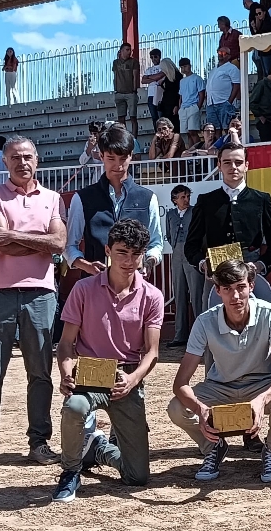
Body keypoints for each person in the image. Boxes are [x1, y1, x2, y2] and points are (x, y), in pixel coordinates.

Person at [0, 137, 66, 473]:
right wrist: (40, 242)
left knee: (41, 374)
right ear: (5, 162)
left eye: (27, 156)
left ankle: (39, 442)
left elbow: (59, 243)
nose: (22, 162)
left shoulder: (52, 198)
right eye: (15, 157)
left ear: (37, 159)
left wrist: (16, 236)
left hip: (41, 294)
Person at [52, 218, 162, 501]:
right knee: (75, 406)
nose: (129, 261)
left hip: (126, 376)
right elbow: (65, 344)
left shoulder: (152, 296)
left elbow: (152, 352)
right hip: (89, 372)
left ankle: (97, 448)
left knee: (137, 477)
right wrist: (66, 373)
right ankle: (70, 471)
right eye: (122, 252)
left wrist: (133, 379)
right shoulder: (83, 289)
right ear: (107, 250)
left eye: (136, 254)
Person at [166, 259, 271, 484]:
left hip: (260, 384)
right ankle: (213, 447)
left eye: (240, 287)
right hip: (220, 386)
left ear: (251, 286)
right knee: (176, 408)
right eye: (227, 289)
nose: (235, 296)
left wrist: (262, 399)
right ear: (217, 291)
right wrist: (200, 409)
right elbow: (180, 383)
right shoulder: (204, 321)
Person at [64, 125, 164, 289]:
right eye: (111, 158)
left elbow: (156, 244)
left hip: (135, 286)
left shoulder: (148, 198)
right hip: (94, 286)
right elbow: (69, 246)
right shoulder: (82, 198)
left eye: (123, 158)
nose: (118, 165)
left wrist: (149, 262)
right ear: (101, 156)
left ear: (131, 156)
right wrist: (87, 266)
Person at [186, 142, 271, 310]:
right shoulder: (206, 201)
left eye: (238, 162)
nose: (233, 167)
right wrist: (204, 265)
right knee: (213, 322)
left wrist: (259, 265)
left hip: (250, 274)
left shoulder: (261, 200)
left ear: (246, 166)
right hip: (216, 274)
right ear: (219, 165)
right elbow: (191, 246)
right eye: (227, 162)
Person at [162, 185, 200, 348]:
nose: (186, 200)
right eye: (182, 197)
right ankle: (180, 335)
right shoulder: (170, 214)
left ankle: (200, 334)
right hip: (177, 254)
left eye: (187, 196)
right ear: (174, 200)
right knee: (179, 294)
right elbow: (169, 235)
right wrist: (177, 247)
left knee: (197, 294)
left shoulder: (195, 211)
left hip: (192, 254)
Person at [205, 35, 242, 132]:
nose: (221, 54)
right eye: (219, 52)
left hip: (224, 102)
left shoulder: (232, 68)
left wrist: (229, 101)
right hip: (211, 103)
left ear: (229, 56)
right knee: (214, 130)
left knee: (227, 128)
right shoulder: (213, 70)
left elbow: (237, 85)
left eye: (224, 53)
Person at [112, 43, 140, 134]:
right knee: (121, 118)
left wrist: (134, 90)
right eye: (127, 50)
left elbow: (135, 76)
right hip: (119, 92)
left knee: (133, 117)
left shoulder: (134, 62)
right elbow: (115, 75)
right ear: (121, 51)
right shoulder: (115, 62)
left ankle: (134, 139)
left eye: (130, 50)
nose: (129, 52)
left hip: (130, 93)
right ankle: (123, 137)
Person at [178, 58, 205, 136]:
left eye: (185, 66)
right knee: (187, 133)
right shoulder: (182, 81)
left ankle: (196, 144)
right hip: (183, 108)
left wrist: (198, 107)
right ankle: (190, 145)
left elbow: (201, 94)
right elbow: (181, 96)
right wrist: (180, 107)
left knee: (193, 131)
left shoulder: (197, 78)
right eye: (182, 67)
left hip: (193, 106)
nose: (184, 69)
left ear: (190, 66)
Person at [141, 48, 166, 125]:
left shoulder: (164, 67)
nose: (153, 59)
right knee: (154, 117)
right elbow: (143, 81)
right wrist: (155, 77)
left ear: (159, 56)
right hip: (151, 95)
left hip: (161, 94)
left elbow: (159, 76)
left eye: (155, 57)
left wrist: (149, 77)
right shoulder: (149, 69)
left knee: (162, 117)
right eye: (151, 57)